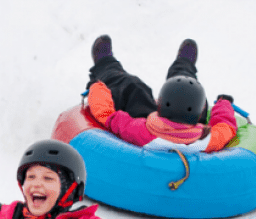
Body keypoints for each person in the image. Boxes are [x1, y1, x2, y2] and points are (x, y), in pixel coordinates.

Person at [85, 36, 237, 153]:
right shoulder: (207, 140)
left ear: (159, 106)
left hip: (150, 127)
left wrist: (97, 87)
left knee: (133, 87)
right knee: (186, 84)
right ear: (200, 114)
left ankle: (105, 63)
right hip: (191, 135)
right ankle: (184, 63)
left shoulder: (140, 131)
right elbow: (226, 127)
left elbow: (108, 116)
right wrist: (224, 104)